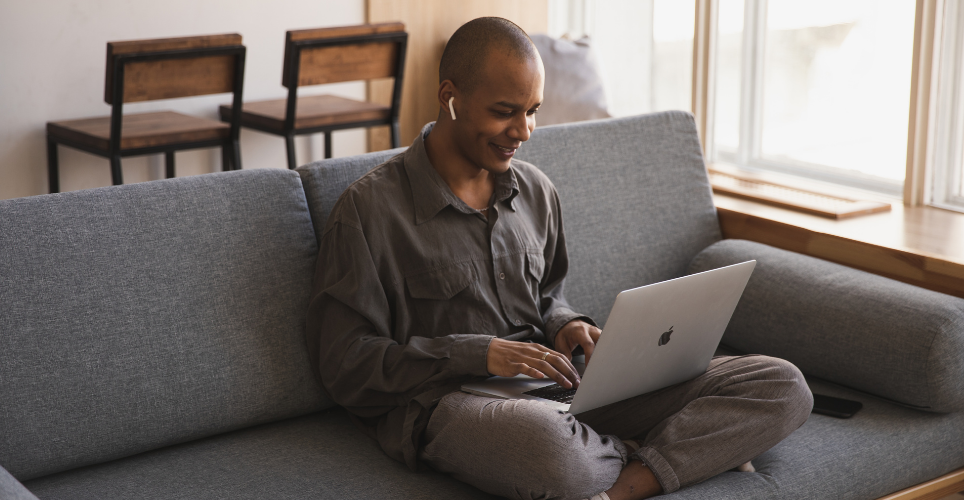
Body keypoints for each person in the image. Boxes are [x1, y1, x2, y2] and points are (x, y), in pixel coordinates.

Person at [306, 16, 813, 500]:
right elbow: (346, 366)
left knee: (781, 384)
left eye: (533, 111)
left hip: (562, 389)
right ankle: (676, 452)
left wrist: (566, 324)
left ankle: (619, 480)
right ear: (449, 97)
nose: (523, 131)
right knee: (551, 454)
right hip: (457, 402)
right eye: (505, 111)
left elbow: (549, 297)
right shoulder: (368, 211)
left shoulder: (536, 191)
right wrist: (477, 352)